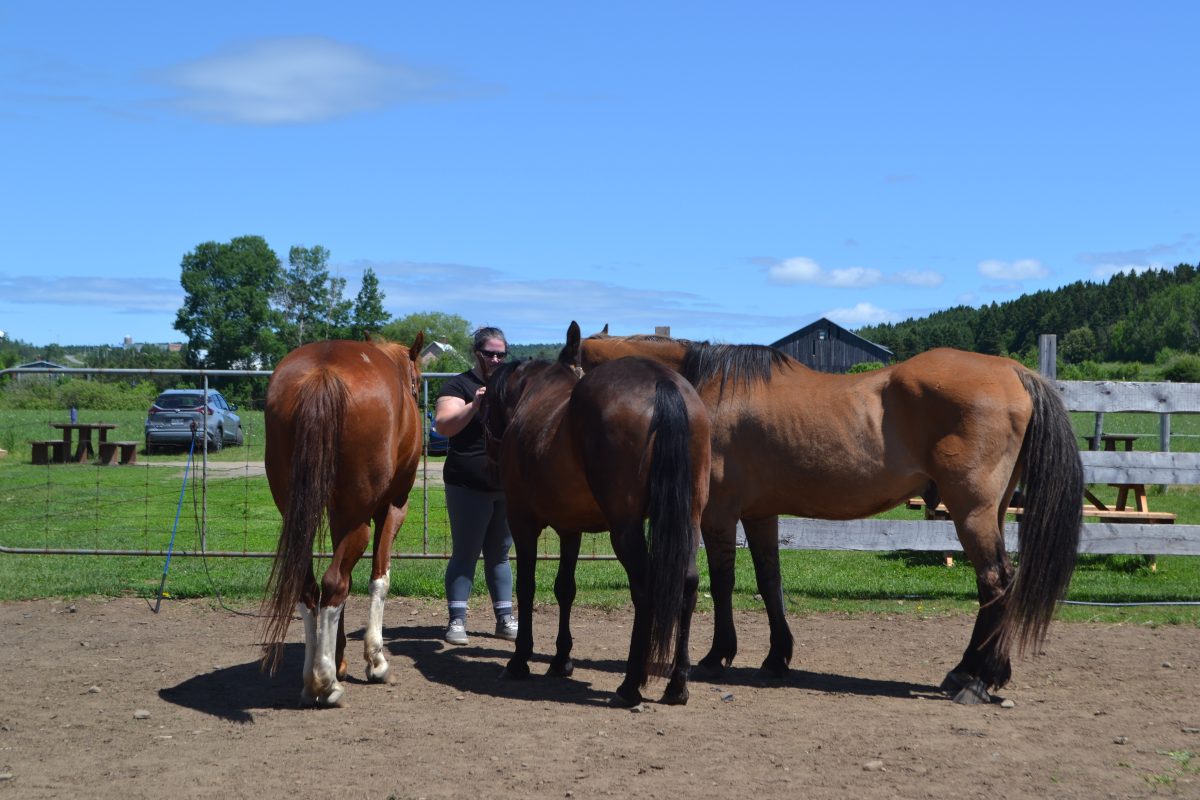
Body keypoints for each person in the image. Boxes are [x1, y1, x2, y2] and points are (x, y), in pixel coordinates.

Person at [434, 326, 518, 645]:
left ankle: (505, 619)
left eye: (501, 354)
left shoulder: (511, 385)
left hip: (504, 484)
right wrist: (474, 406)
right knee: (466, 553)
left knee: (500, 555)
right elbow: (444, 426)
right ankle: (457, 622)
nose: (496, 359)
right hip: (466, 483)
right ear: (476, 353)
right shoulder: (459, 384)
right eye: (489, 353)